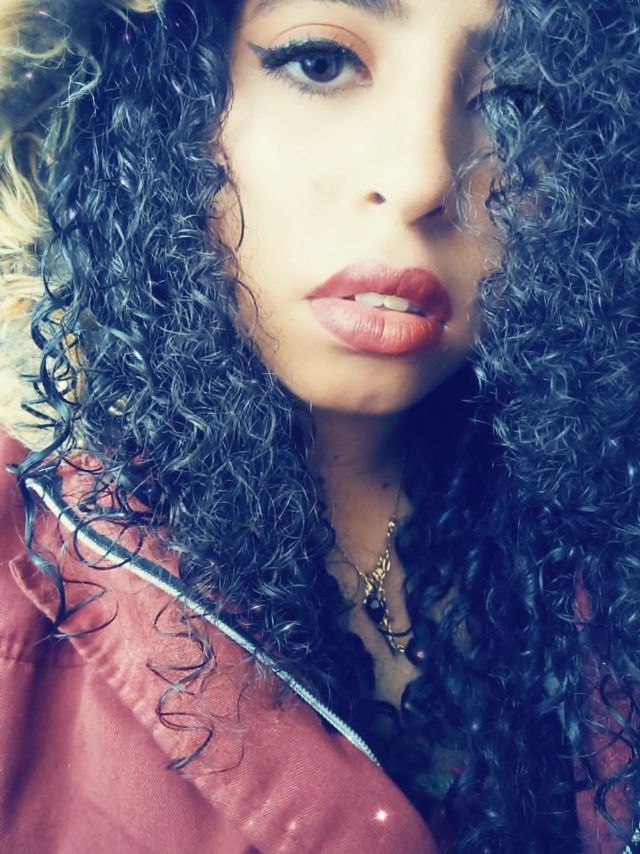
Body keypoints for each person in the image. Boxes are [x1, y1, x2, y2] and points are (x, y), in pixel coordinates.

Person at [0, 0, 638, 850]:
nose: (422, 177)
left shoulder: (605, 549)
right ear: (152, 98)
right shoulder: (17, 597)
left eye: (517, 99)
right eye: (320, 62)